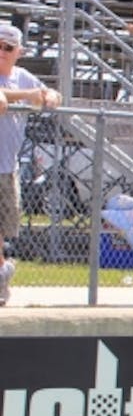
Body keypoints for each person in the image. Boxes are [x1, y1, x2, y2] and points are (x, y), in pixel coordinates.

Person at [0, 24, 61, 307]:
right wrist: (26, 96)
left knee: (3, 229)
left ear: (19, 52)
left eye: (8, 48)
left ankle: (2, 275)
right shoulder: (23, 87)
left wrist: (47, 95)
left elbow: (51, 95)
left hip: (6, 166)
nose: (2, 52)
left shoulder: (22, 77)